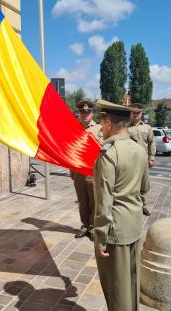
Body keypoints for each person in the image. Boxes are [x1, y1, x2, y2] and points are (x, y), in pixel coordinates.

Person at [93, 100, 149, 311]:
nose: (100, 128)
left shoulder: (108, 154)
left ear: (108, 122)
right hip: (134, 224)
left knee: (116, 288)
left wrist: (100, 237)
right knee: (132, 282)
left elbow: (104, 200)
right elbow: (145, 187)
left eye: (101, 122)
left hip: (115, 230)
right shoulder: (139, 150)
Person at [71, 100, 102, 240]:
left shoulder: (99, 129)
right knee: (82, 200)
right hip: (78, 170)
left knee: (95, 200)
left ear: (92, 113)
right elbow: (71, 150)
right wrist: (71, 169)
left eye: (87, 112)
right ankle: (85, 226)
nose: (85, 114)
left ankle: (94, 228)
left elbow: (104, 149)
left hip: (93, 170)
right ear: (79, 113)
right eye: (82, 112)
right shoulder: (73, 128)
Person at [128, 102, 155, 216]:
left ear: (141, 114)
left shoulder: (147, 128)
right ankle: (131, 206)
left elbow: (151, 143)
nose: (136, 115)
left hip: (143, 160)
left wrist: (152, 158)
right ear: (130, 114)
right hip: (129, 160)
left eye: (138, 113)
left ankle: (142, 205)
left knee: (144, 185)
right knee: (129, 184)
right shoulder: (125, 126)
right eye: (134, 113)